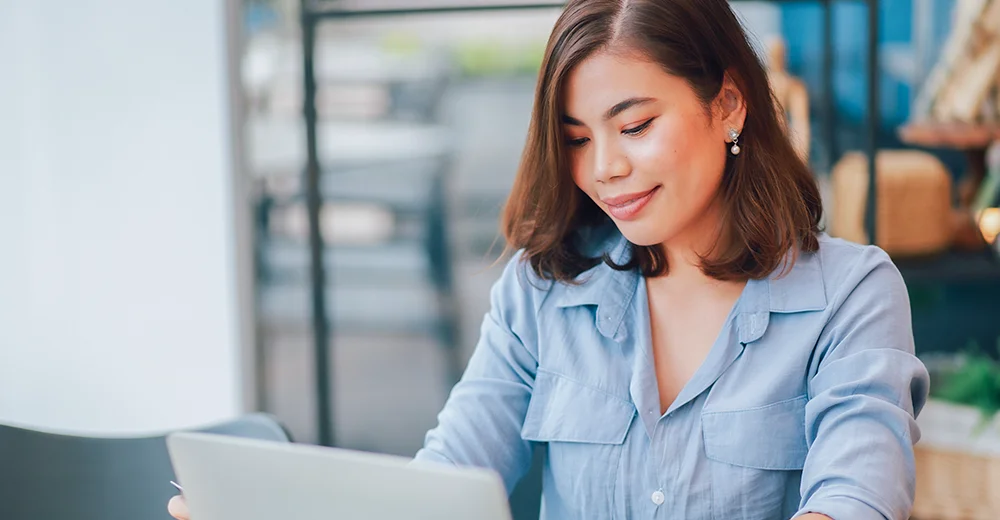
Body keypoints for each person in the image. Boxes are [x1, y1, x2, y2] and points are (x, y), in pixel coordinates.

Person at [169, 0, 929, 518]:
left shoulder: (849, 294)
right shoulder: (542, 292)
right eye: (575, 139)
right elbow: (446, 488)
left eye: (633, 125)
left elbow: (857, 493)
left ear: (728, 104)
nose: (602, 169)